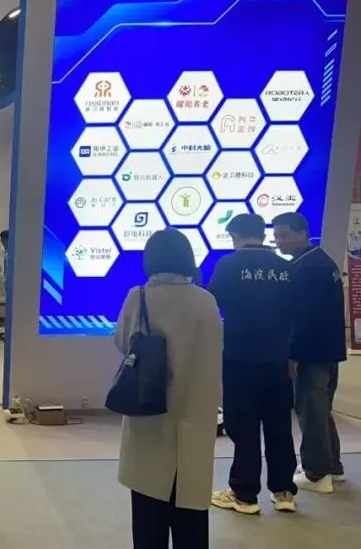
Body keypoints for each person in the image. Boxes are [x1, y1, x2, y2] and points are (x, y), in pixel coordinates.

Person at [113, 229, 221, 549]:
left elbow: (123, 342)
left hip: (150, 411)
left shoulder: (139, 297)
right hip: (195, 413)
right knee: (191, 510)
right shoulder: (206, 301)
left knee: (148, 511)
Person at [206, 214, 297, 514]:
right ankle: (284, 491)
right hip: (278, 359)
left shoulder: (228, 265)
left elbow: (211, 303)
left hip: (239, 357)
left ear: (235, 236)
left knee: (243, 427)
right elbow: (296, 312)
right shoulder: (285, 268)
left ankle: (244, 494)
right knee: (279, 425)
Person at [272, 212, 347, 493]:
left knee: (311, 412)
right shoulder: (321, 260)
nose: (279, 242)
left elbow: (304, 318)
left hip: (311, 353)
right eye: (276, 236)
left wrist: (293, 353)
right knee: (321, 410)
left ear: (302, 233)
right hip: (327, 350)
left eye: (284, 235)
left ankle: (317, 473)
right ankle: (332, 466)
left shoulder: (306, 268)